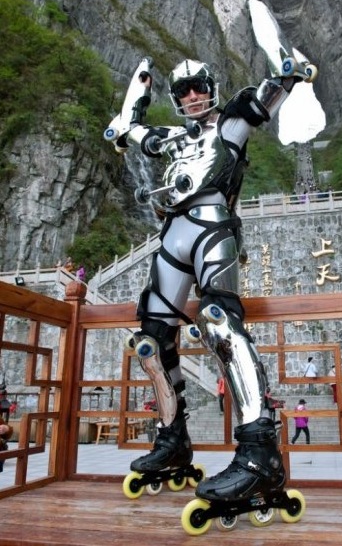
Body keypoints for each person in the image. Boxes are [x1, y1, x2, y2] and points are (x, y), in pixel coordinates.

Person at [120, 48, 304, 503]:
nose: (192, 95)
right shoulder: (171, 137)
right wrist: (138, 87)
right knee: (151, 340)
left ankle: (260, 450)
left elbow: (266, 97)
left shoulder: (231, 124)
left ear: (212, 87)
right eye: (183, 90)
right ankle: (172, 439)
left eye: (199, 86)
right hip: (172, 234)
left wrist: (288, 72)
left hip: (213, 226)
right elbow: (129, 129)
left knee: (218, 320)